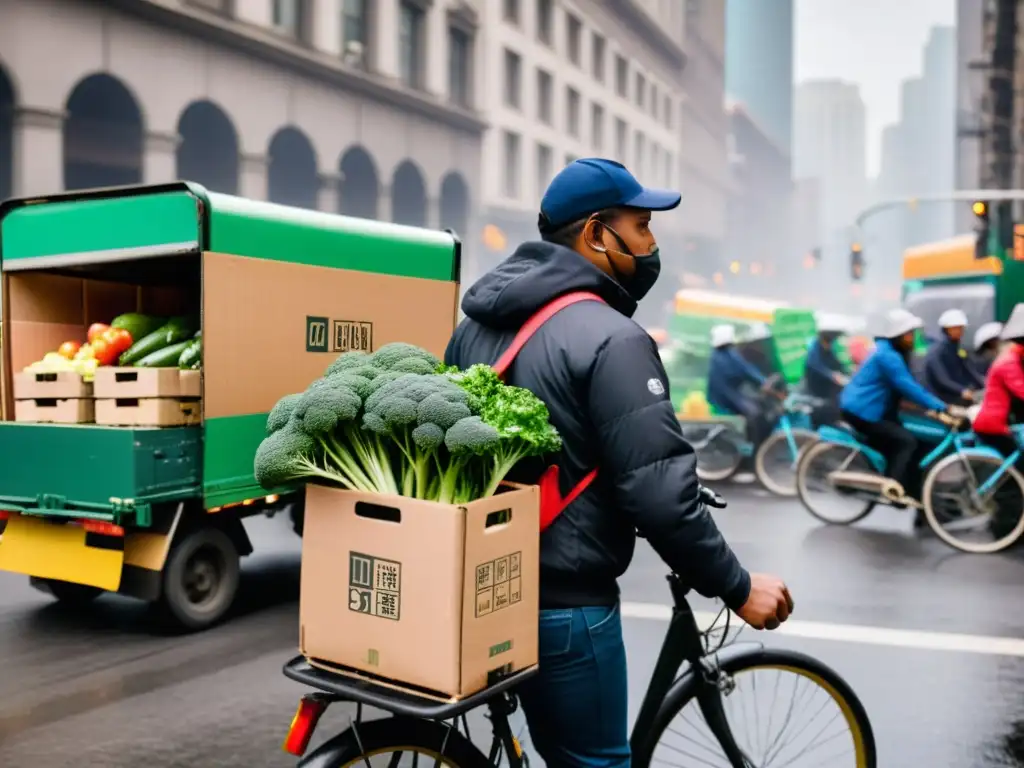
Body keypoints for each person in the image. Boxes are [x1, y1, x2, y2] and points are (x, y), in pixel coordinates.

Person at [444, 158, 793, 768]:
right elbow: (660, 496)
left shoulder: (474, 325)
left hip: (483, 588)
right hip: (566, 607)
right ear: (595, 234)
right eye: (641, 225)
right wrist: (738, 588)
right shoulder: (614, 338)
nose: (652, 243)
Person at [839, 308, 954, 511]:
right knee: (905, 441)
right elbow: (906, 385)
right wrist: (939, 406)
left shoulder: (893, 352)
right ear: (898, 335)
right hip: (863, 412)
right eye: (908, 334)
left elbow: (912, 384)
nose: (912, 338)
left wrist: (930, 404)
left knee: (917, 440)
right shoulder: (888, 356)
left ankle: (912, 489)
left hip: (877, 409)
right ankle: (893, 489)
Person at [971, 308, 1024, 536]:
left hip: (1002, 422)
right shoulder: (1008, 362)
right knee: (1017, 473)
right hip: (992, 425)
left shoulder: (1015, 356)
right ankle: (1005, 527)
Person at [707, 323, 773, 449]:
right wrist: (763, 382)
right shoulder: (728, 354)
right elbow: (745, 369)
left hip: (724, 393)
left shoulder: (719, 354)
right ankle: (752, 447)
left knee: (754, 406)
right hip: (727, 395)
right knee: (755, 413)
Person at [921, 308, 979, 406]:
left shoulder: (958, 349)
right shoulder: (936, 351)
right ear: (946, 329)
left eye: (961, 328)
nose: (960, 331)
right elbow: (942, 379)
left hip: (957, 395)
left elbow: (969, 371)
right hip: (942, 400)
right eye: (956, 328)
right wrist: (962, 390)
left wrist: (987, 384)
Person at [803, 319, 850, 427]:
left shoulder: (828, 348)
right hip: (817, 390)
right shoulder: (814, 350)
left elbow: (836, 362)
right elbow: (816, 366)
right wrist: (832, 375)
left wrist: (847, 370)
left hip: (829, 389)